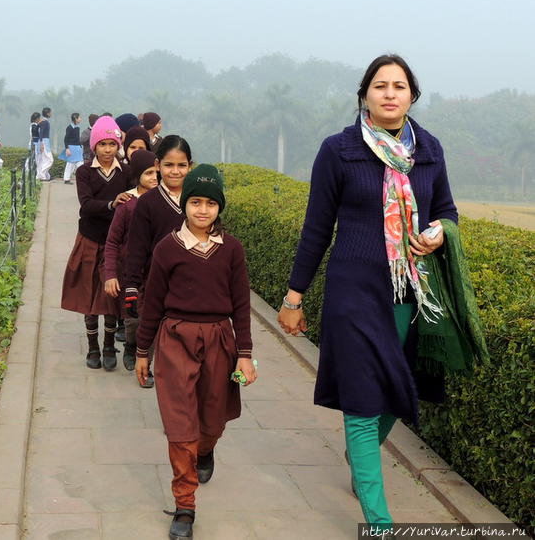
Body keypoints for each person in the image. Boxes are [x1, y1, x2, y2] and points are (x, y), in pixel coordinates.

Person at [277, 54, 459, 529]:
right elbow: (317, 228)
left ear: (412, 96)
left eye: (399, 86)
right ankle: (378, 523)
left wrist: (439, 231)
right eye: (380, 86)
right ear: (365, 94)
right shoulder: (339, 150)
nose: (390, 93)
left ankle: (359, 457)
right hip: (353, 292)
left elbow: (446, 210)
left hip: (408, 292)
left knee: (400, 387)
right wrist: (294, 297)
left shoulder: (430, 150)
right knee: (361, 398)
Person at [134, 163, 257, 540]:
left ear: (220, 208)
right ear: (185, 204)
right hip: (175, 341)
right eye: (195, 202)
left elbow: (241, 304)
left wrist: (246, 354)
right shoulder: (167, 248)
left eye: (210, 204)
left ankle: (206, 450)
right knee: (179, 425)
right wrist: (143, 350)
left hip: (220, 340)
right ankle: (185, 504)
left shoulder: (231, 249)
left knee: (212, 421)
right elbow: (152, 302)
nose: (202, 210)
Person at [61, 116, 132, 370]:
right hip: (89, 240)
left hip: (115, 244)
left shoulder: (126, 172)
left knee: (112, 296)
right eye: (102, 144)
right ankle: (92, 347)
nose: (107, 150)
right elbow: (87, 204)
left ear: (117, 145)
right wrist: (112, 204)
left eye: (111, 144)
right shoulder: (84, 172)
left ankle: (110, 345)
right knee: (89, 297)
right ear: (94, 146)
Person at [123, 135, 193, 388]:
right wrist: (131, 286)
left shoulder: (197, 201)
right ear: (158, 164)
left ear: (190, 166)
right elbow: (137, 248)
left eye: (181, 165)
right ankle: (148, 364)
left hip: (191, 284)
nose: (175, 171)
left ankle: (181, 381)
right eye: (169, 165)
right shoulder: (148, 203)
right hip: (155, 280)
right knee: (151, 327)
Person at [104, 150, 159, 371]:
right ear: (137, 175)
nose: (154, 177)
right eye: (148, 173)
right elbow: (112, 242)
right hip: (130, 274)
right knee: (133, 317)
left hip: (156, 272)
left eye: (157, 172)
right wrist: (110, 274)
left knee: (152, 318)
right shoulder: (127, 205)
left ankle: (147, 361)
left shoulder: (164, 202)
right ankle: (130, 345)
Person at [58, 113, 83, 184]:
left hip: (77, 148)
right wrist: (67, 148)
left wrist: (80, 147)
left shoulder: (77, 127)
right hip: (71, 148)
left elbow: (77, 139)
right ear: (75, 118)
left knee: (80, 163)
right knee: (70, 164)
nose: (80, 119)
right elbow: (66, 139)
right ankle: (66, 179)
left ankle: (83, 178)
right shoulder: (69, 128)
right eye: (79, 117)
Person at [37, 107, 53, 181]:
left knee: (44, 159)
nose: (51, 113)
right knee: (50, 159)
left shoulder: (43, 121)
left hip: (44, 141)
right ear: (47, 113)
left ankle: (45, 176)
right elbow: (41, 133)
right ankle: (42, 174)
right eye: (50, 112)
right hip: (44, 142)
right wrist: (41, 144)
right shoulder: (45, 122)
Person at [29, 111, 41, 176]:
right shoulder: (34, 126)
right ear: (36, 119)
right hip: (34, 144)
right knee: (35, 159)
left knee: (36, 159)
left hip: (36, 143)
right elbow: (34, 136)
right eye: (39, 118)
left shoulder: (34, 125)